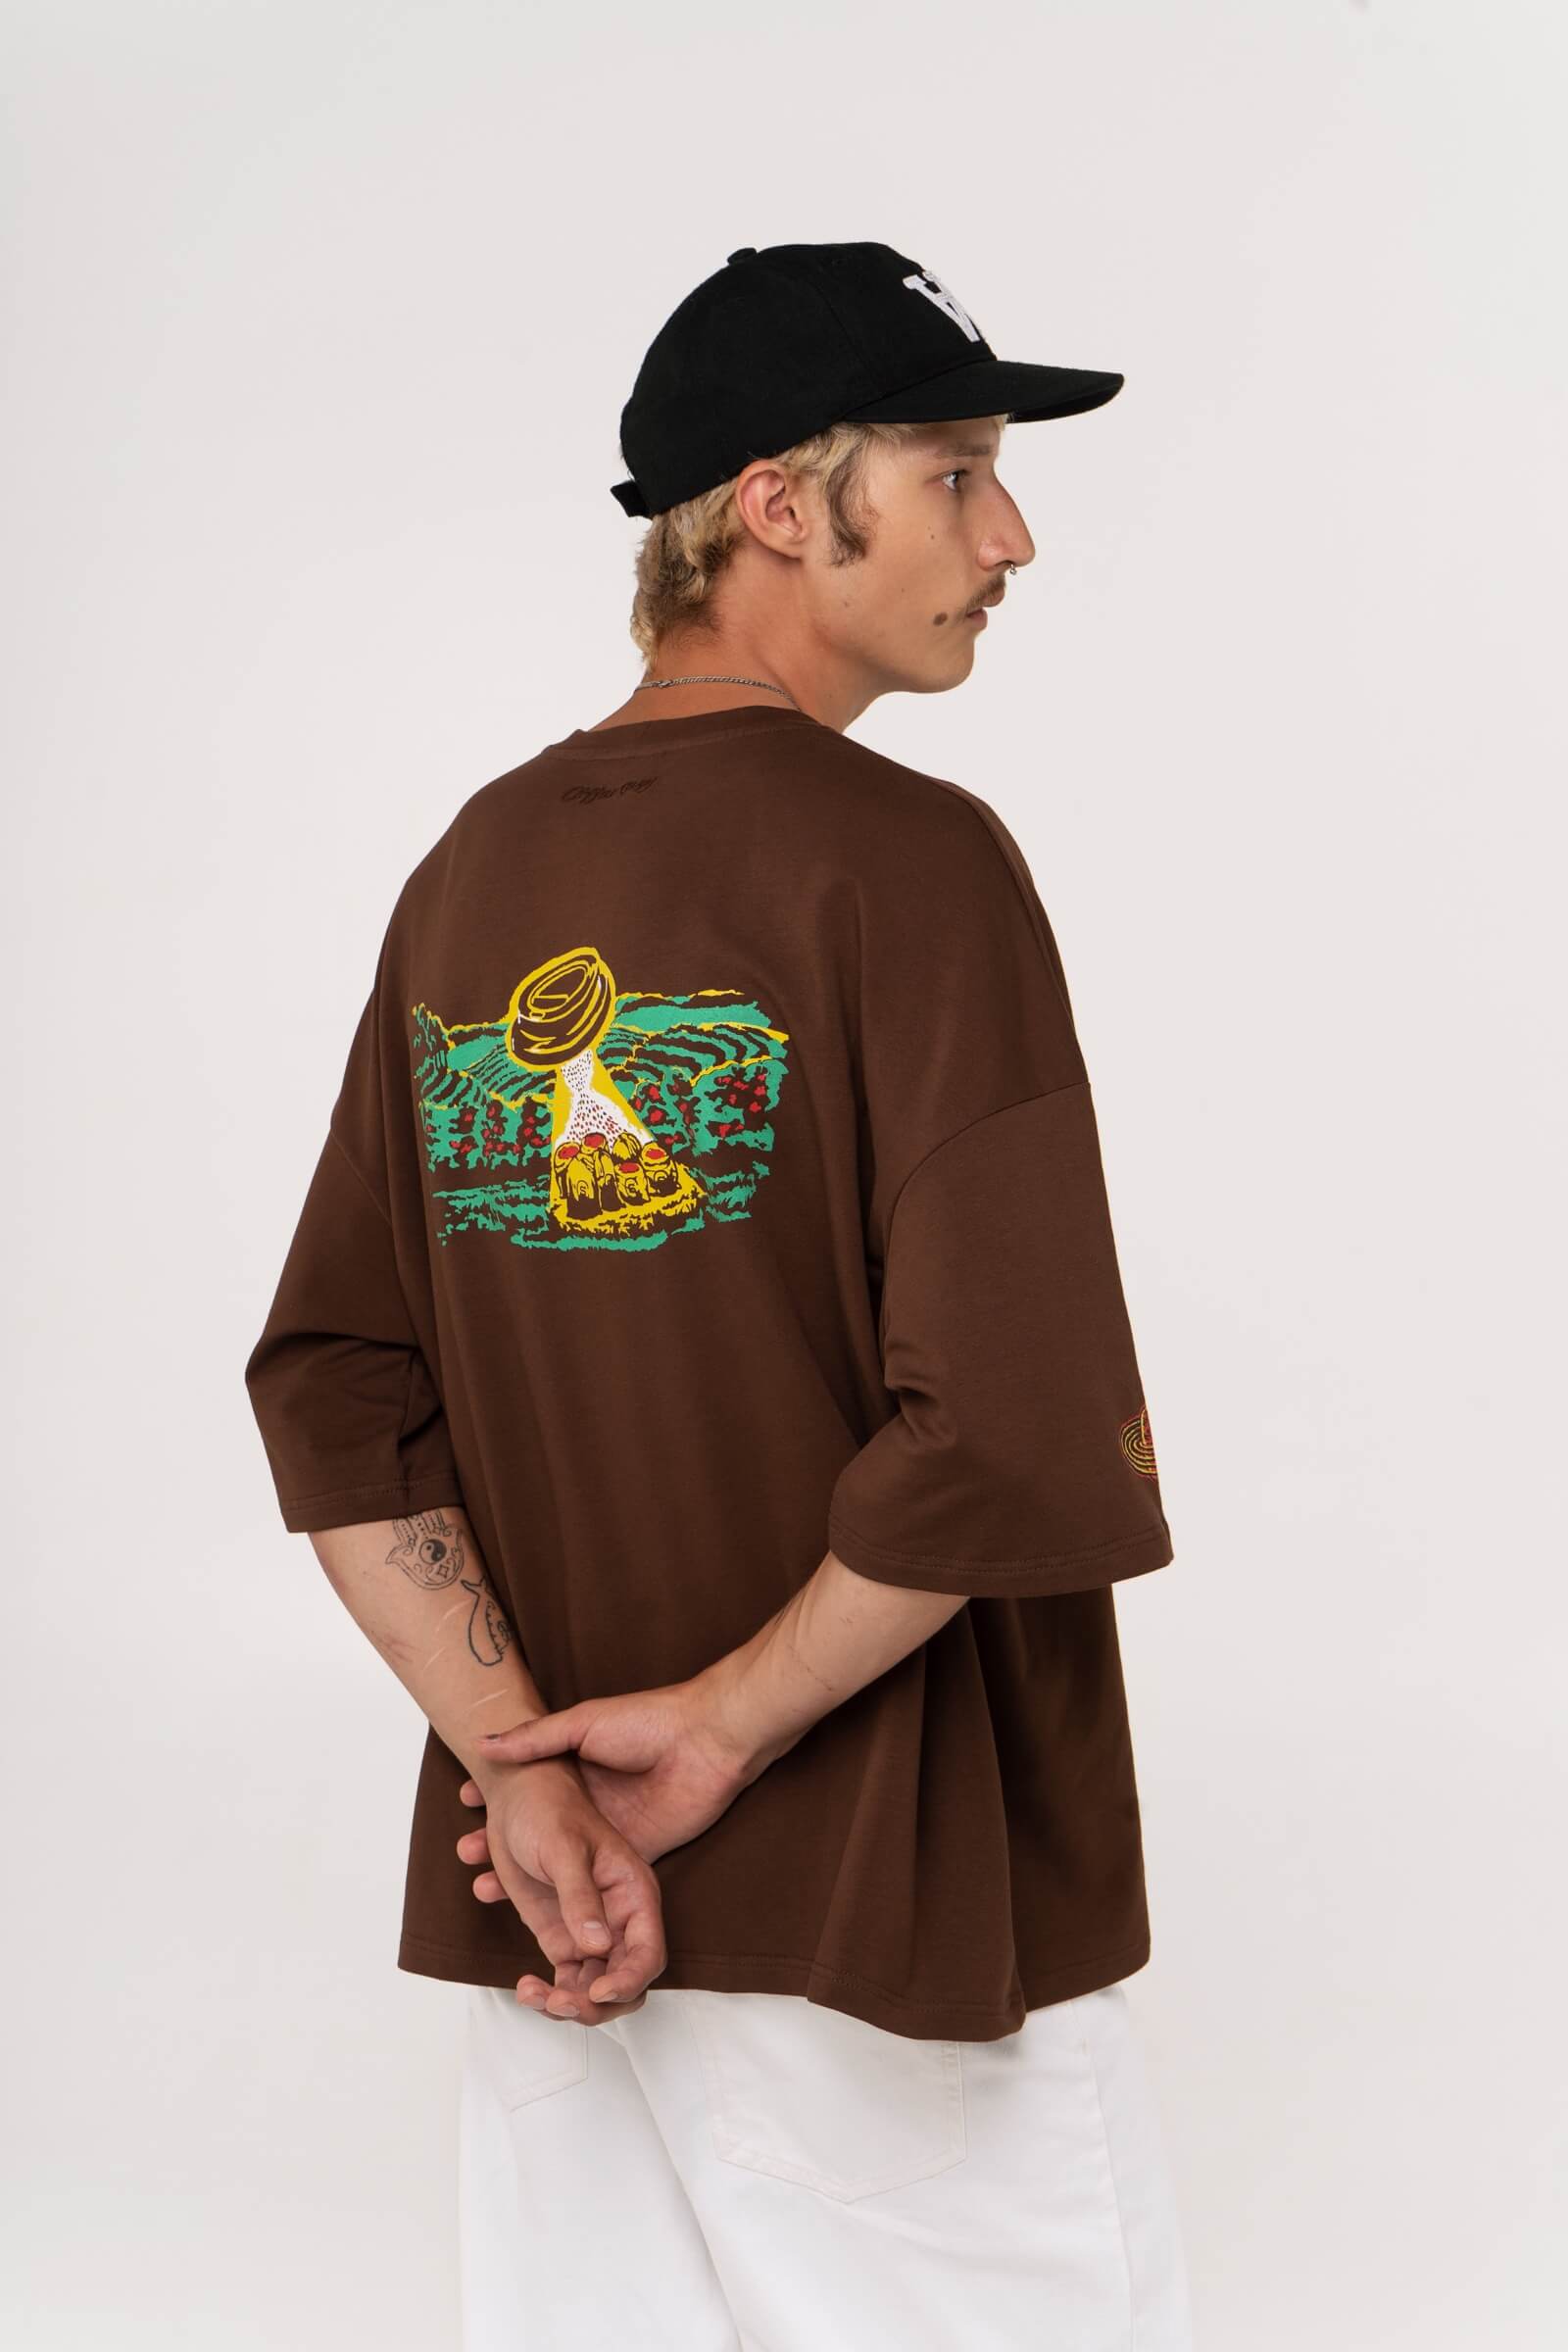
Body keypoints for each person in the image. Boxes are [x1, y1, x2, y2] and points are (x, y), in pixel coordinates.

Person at [243, 238, 1195, 2349]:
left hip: (555, 1938)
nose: (1011, 537)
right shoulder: (913, 863)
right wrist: (713, 1737)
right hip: (895, 1927)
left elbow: (334, 1388)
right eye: (955, 471)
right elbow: (1014, 1428)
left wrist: (524, 1774)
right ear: (776, 503)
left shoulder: (470, 874)